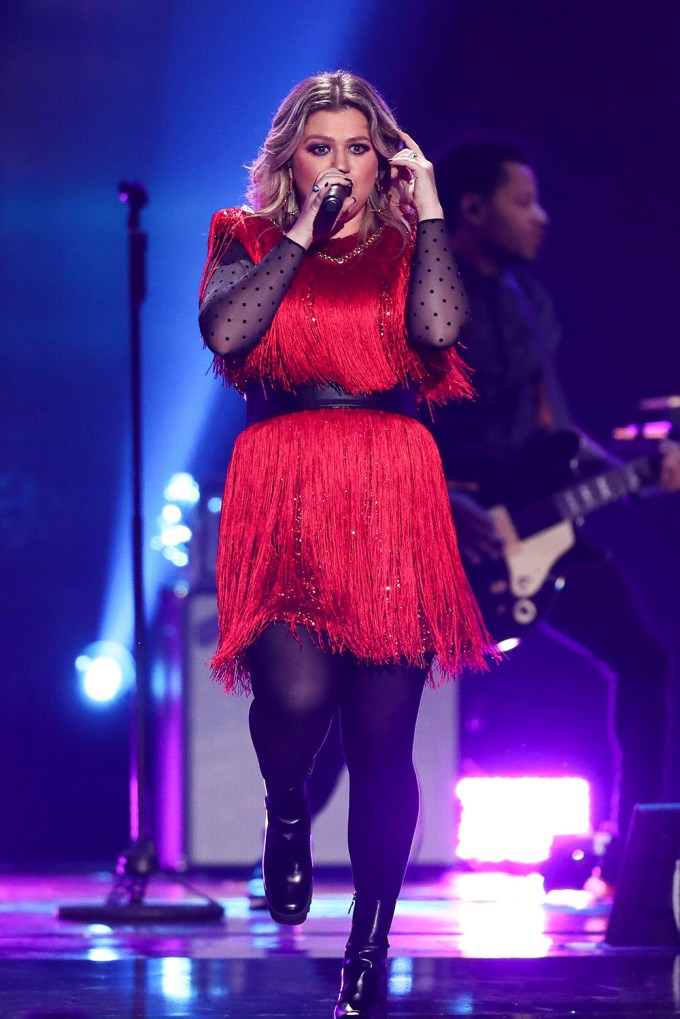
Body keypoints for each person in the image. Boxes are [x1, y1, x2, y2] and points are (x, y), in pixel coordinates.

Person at [197, 72, 494, 1018]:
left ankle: (367, 952)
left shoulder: (410, 245)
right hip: (285, 479)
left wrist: (431, 205)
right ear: (291, 158)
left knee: (382, 740)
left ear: (384, 160)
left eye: (357, 148)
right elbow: (227, 332)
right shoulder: (242, 235)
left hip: (390, 485)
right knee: (293, 695)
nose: (340, 165)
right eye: (320, 148)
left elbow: (439, 330)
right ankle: (287, 806)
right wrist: (300, 230)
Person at [428, 137, 680, 887]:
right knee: (371, 686)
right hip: (433, 524)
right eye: (525, 201)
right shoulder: (422, 290)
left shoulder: (526, 300)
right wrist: (438, 497)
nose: (542, 217)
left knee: (646, 661)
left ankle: (635, 861)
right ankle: (284, 843)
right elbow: (385, 415)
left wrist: (642, 475)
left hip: (535, 522)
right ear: (473, 209)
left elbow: (553, 431)